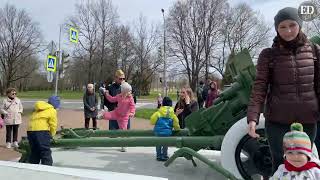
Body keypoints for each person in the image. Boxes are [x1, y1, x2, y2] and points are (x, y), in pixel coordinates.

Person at [247, 7, 320, 175]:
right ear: (277, 29)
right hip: (278, 122)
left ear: (299, 25)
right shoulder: (268, 55)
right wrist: (253, 117)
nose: (288, 31)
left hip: (308, 121)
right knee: (281, 166)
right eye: (282, 27)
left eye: (292, 25)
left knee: (307, 165)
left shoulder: (315, 51)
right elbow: (259, 87)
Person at [98, 82, 135, 152]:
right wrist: (106, 94)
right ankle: (102, 115)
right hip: (116, 113)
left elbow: (132, 106)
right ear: (124, 91)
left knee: (123, 131)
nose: (130, 92)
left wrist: (132, 112)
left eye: (130, 91)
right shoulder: (119, 96)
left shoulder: (130, 98)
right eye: (129, 91)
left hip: (124, 117)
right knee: (108, 115)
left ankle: (124, 145)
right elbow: (112, 99)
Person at [27, 96, 60, 166]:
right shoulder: (52, 110)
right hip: (42, 131)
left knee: (34, 151)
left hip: (30, 131)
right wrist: (52, 134)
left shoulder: (37, 108)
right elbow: (53, 124)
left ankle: (32, 166)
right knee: (45, 151)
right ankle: (47, 168)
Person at [150, 97, 180, 161]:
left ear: (163, 104)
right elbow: (176, 123)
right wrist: (177, 129)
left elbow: (152, 121)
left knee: (158, 144)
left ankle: (158, 156)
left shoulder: (158, 112)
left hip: (158, 132)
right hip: (167, 132)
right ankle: (164, 156)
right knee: (165, 145)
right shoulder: (172, 114)